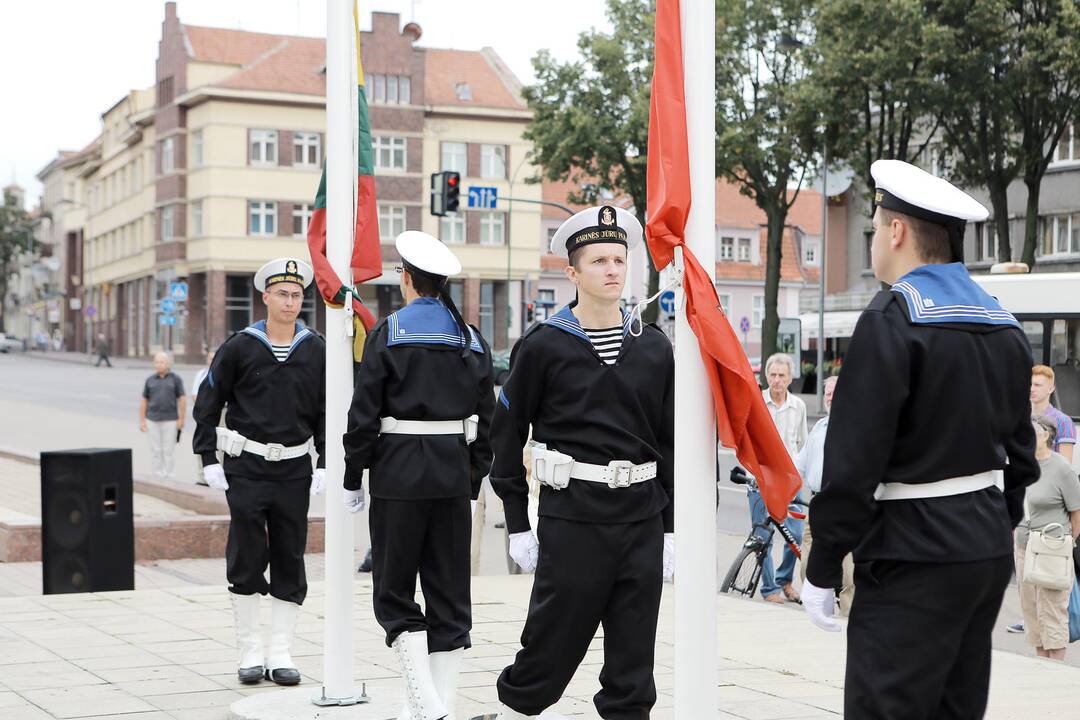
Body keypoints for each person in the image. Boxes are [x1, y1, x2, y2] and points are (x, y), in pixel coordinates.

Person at [801, 159, 1039, 719]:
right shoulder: (1002, 321)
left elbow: (852, 464)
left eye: (876, 226)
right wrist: (987, 521)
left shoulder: (892, 317)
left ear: (897, 232)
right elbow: (1022, 457)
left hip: (912, 556)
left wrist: (823, 565)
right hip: (980, 549)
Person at [485, 205, 674, 720]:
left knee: (634, 662)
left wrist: (671, 530)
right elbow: (506, 435)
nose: (613, 269)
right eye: (598, 261)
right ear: (573, 273)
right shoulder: (545, 346)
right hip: (574, 519)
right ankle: (514, 711)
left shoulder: (653, 346)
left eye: (619, 258)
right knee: (551, 644)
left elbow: (668, 442)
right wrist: (518, 525)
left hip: (641, 520)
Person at [343, 231, 494, 720]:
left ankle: (429, 709)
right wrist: (470, 480)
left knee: (394, 592)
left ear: (406, 279)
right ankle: (436, 704)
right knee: (449, 594)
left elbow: (363, 415)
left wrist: (352, 476)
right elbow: (487, 422)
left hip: (397, 475)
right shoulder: (471, 338)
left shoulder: (389, 332)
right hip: (451, 475)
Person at [192, 257, 325, 687]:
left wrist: (324, 460)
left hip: (294, 471)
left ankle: (281, 651)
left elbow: (326, 410)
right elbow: (207, 403)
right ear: (264, 296)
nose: (290, 302)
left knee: (291, 554)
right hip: (246, 467)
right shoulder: (240, 346)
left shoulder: (315, 348)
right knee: (247, 554)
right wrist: (208, 458)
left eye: (296, 294)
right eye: (282, 294)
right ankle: (250, 651)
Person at [1014, 415, 1080, 661]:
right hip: (1023, 548)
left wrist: (1064, 544)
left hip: (1051, 549)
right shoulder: (1023, 465)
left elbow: (1077, 514)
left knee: (1052, 615)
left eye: (1032, 430)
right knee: (1033, 616)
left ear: (1046, 436)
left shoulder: (1061, 468)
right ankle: (1040, 671)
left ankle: (1055, 675)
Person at [747, 353, 807, 604]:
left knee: (795, 535)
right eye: (772, 375)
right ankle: (769, 588)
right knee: (763, 537)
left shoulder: (799, 406)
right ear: (766, 376)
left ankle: (785, 579)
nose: (777, 380)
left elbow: (802, 444)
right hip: (760, 480)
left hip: (788, 483)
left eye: (782, 375)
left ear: (790, 378)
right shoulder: (756, 402)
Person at [795, 375, 854, 616]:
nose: (830, 398)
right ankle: (817, 606)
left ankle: (849, 615)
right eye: (827, 393)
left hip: (846, 503)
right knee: (808, 561)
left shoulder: (856, 426)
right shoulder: (819, 428)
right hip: (818, 502)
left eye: (835, 393)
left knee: (849, 566)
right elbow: (799, 464)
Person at [139, 352, 185, 482]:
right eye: (157, 362)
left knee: (168, 450)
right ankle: (157, 475)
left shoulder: (175, 379)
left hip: (170, 420)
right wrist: (142, 421)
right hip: (152, 419)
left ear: (168, 364)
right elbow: (144, 401)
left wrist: (181, 419)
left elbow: (182, 399)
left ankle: (169, 476)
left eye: (162, 362)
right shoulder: (150, 380)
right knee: (156, 450)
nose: (159, 364)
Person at [1031, 364, 1076, 463]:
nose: (1031, 389)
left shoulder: (1063, 421)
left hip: (1049, 477)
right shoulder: (1020, 418)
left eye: (1037, 385)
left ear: (1051, 389)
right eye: (1029, 384)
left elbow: (1065, 464)